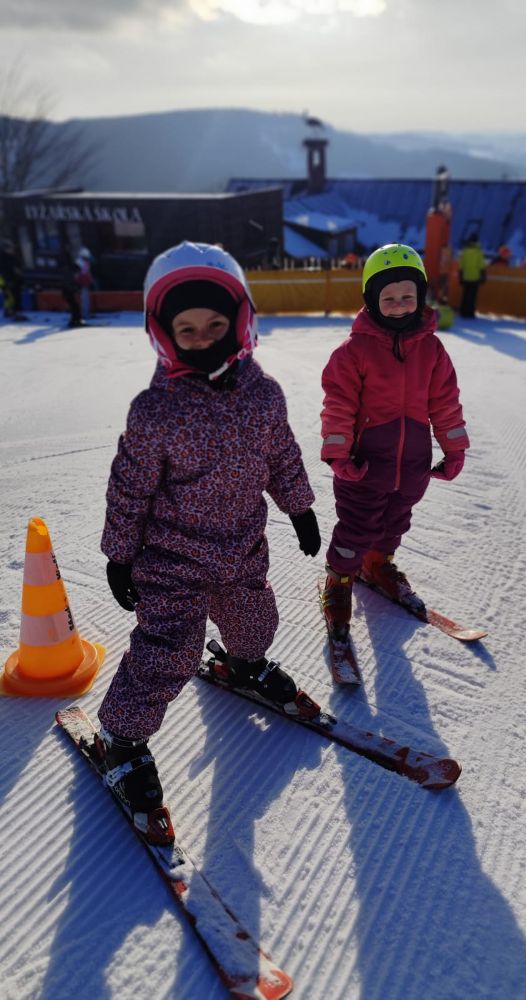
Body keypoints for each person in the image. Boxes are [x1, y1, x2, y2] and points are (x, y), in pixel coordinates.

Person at [97, 241, 321, 843]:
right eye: (187, 329)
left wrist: (300, 507)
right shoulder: (155, 412)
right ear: (164, 334)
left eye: (216, 325)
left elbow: (282, 455)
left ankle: (242, 664)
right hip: (172, 561)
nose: (202, 339)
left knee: (256, 620)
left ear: (242, 322)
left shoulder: (265, 395)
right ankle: (121, 736)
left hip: (242, 549)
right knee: (168, 651)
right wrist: (119, 554)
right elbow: (129, 488)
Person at [319, 243, 469, 636]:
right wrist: (338, 453)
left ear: (421, 297)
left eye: (408, 296)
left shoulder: (432, 350)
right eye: (389, 298)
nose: (400, 306)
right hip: (364, 465)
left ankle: (376, 563)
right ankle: (340, 579)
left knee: (395, 522)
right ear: (371, 300)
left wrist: (454, 447)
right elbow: (338, 405)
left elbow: (445, 403)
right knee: (356, 526)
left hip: (413, 464)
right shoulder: (353, 352)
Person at [458, 233, 487, 318]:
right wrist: (483, 276)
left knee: (465, 295)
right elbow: (481, 265)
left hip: (466, 277)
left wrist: (461, 276)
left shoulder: (465, 251)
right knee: (473, 297)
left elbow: (461, 265)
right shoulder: (479, 252)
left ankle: (463, 312)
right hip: (475, 278)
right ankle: (470, 313)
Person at [60, 248, 83, 328]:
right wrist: (75, 288)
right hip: (67, 293)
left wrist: (76, 287)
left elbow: (72, 283)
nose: (78, 273)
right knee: (75, 307)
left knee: (74, 307)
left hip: (67, 292)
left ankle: (75, 320)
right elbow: (69, 284)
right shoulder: (70, 273)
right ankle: (75, 321)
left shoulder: (70, 271)